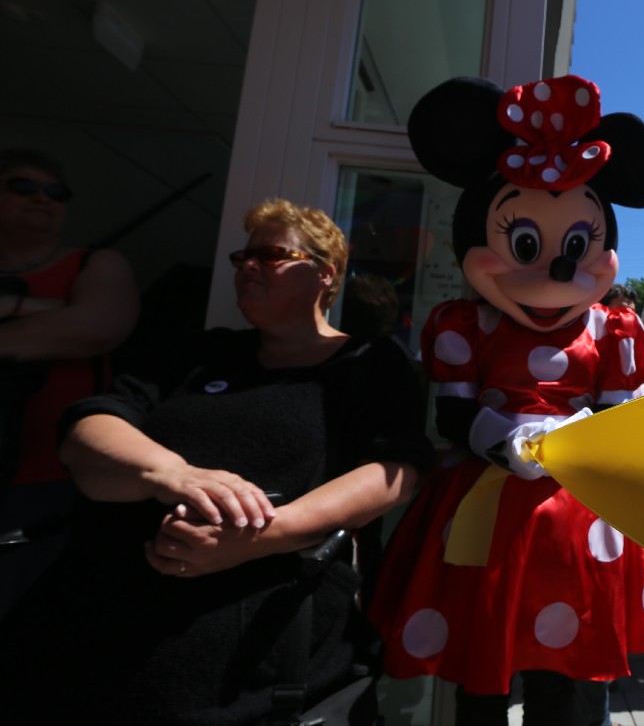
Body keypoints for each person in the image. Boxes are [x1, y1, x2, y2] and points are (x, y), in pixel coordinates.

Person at [0, 198, 433, 725]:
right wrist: (175, 475)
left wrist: (266, 534)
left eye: (271, 254)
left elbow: (395, 473)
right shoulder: (199, 352)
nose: (248, 265)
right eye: (243, 256)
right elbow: (87, 429)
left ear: (325, 274)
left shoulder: (369, 363)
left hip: (248, 652)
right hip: (90, 627)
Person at [367, 75, 644, 726]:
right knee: (480, 668)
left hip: (580, 521)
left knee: (567, 677)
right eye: (524, 244)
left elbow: (620, 413)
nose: (555, 269)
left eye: (576, 246)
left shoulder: (613, 328)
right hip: (484, 507)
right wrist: (503, 440)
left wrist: (578, 436)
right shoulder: (468, 324)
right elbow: (453, 412)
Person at [0, 148, 139, 620]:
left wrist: (13, 309)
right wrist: (48, 312)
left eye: (56, 192)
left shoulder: (93, 264)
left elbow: (95, 327)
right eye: (23, 187)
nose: (42, 198)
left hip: (44, 482)